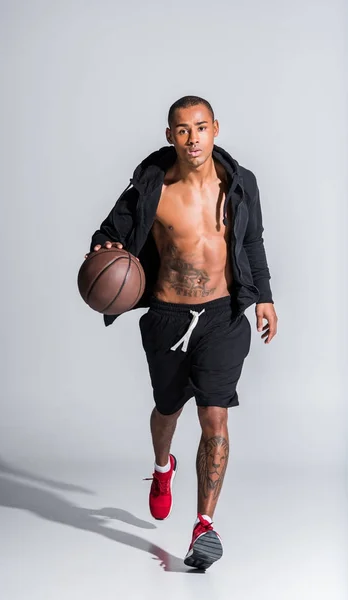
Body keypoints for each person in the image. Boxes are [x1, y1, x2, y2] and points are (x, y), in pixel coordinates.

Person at [86, 95, 278, 570]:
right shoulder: (149, 188)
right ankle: (161, 468)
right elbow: (108, 234)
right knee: (168, 409)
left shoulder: (240, 183)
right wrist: (105, 248)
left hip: (223, 316)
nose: (193, 138)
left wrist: (266, 297)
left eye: (201, 127)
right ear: (170, 135)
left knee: (215, 417)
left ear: (216, 128)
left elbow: (251, 241)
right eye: (182, 129)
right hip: (168, 317)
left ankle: (203, 527)